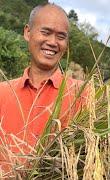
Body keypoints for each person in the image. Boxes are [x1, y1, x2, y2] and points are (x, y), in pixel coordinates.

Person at [0, 3, 87, 173]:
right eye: (45, 32)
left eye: (61, 37)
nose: (53, 42)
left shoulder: (83, 94)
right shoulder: (2, 92)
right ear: (27, 32)